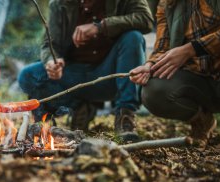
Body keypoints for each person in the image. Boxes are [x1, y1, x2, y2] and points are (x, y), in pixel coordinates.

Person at [18, 0, 153, 141]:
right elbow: (49, 44)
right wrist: (52, 61)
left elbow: (146, 20)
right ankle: (80, 107)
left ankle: (125, 116)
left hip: (113, 75)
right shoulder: (59, 4)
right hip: (72, 75)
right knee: (28, 76)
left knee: (133, 37)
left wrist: (101, 27)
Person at [130, 0, 220, 152]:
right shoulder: (166, 3)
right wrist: (150, 65)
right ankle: (202, 122)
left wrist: (192, 49)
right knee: (153, 90)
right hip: (200, 83)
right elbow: (163, 47)